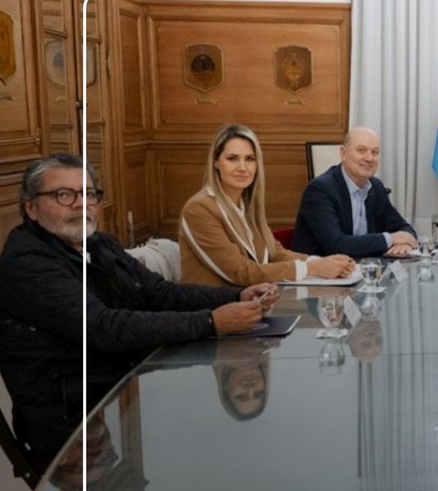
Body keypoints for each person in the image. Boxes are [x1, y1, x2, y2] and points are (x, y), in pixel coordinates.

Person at [0, 154, 277, 462]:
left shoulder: (98, 245)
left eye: (88, 194)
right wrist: (210, 322)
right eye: (63, 195)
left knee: (224, 434)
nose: (81, 204)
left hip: (118, 385)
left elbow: (158, 293)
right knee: (201, 440)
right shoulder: (27, 262)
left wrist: (235, 297)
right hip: (71, 421)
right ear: (31, 207)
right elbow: (104, 327)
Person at [179, 123, 355, 286]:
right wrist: (312, 269)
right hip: (214, 311)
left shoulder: (246, 205)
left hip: (251, 304)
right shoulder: (199, 209)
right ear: (216, 162)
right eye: (232, 158)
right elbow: (241, 272)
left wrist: (321, 262)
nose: (242, 167)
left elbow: (275, 252)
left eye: (250, 159)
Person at [291, 126, 419, 258]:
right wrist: (391, 239)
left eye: (375, 152)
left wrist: (404, 244)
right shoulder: (320, 190)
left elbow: (404, 228)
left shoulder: (376, 187)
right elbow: (336, 245)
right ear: (343, 153)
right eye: (361, 150)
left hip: (363, 271)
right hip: (321, 274)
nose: (369, 158)